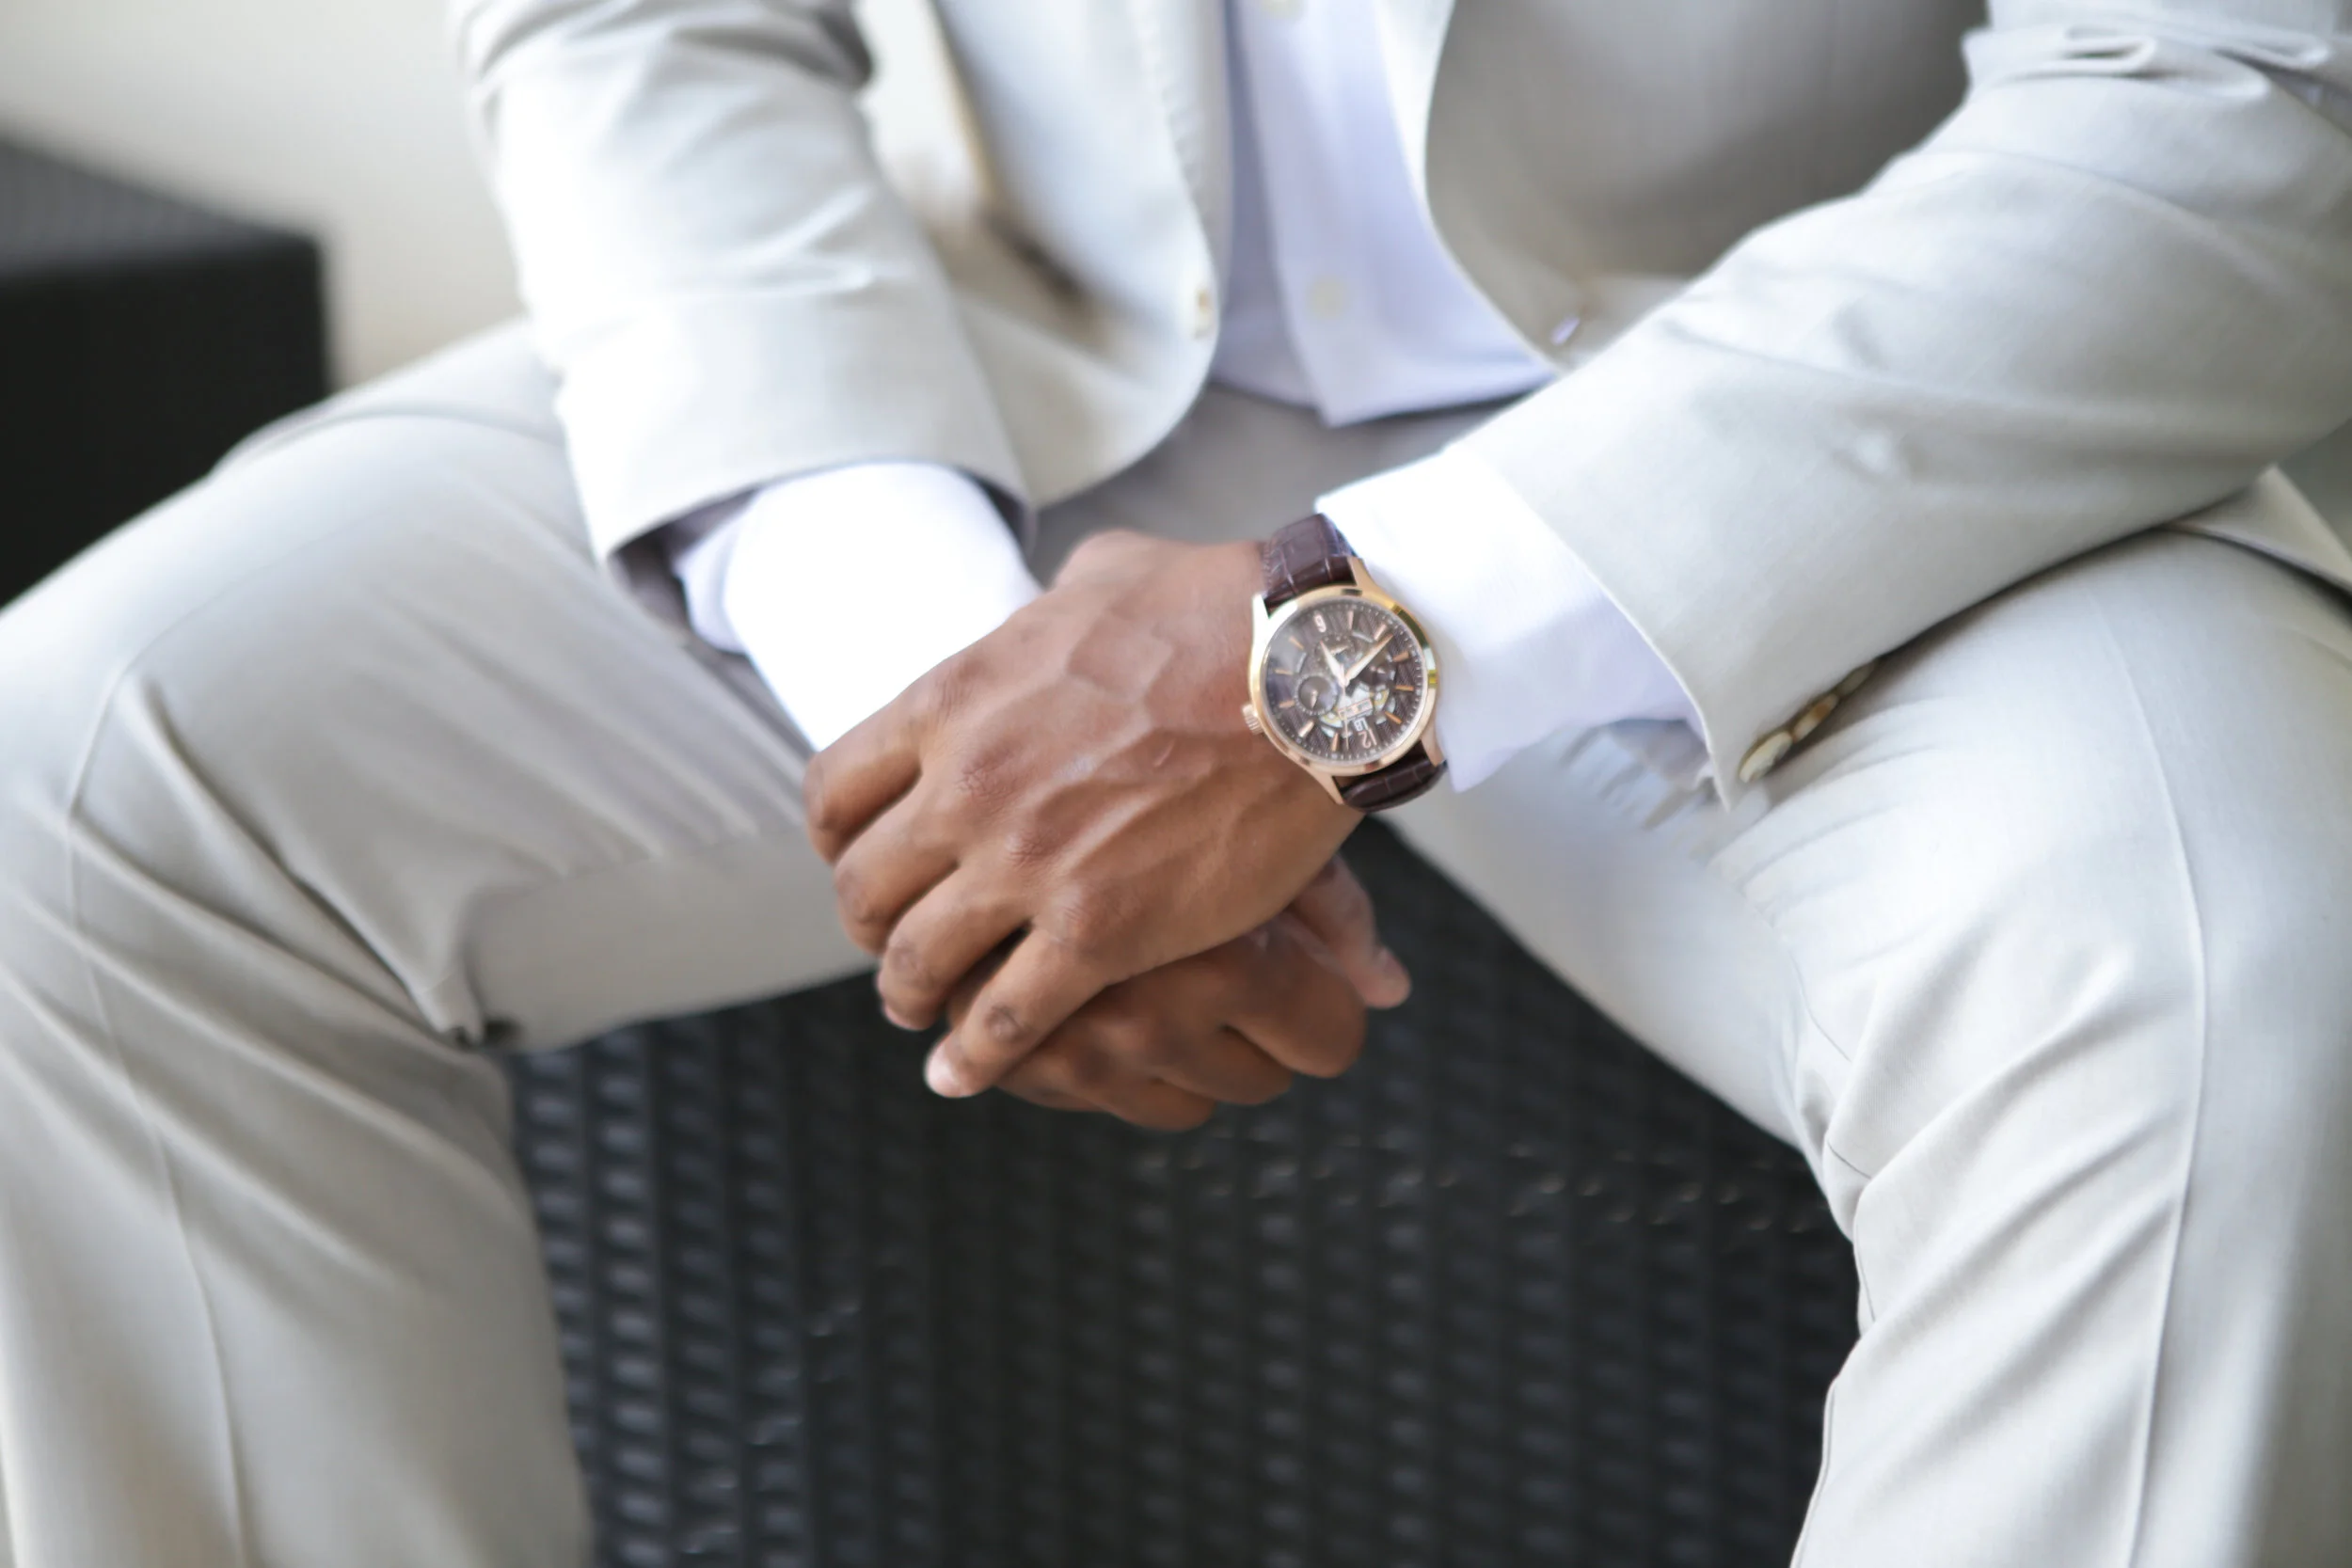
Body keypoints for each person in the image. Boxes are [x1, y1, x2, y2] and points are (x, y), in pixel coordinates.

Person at [3, 0, 2350, 1561]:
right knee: (83, 792)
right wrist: (953, 715)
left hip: (1837, 417)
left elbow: (2248, 94)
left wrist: (1319, 662)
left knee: (2219, 989)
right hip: (1041, 361)